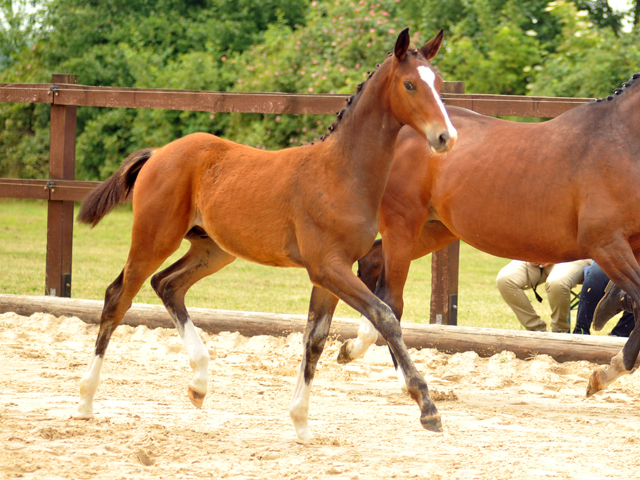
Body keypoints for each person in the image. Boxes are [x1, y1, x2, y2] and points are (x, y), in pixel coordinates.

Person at [496, 259, 592, 333]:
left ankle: (559, 332)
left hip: (572, 256)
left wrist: (555, 254)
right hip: (535, 258)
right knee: (505, 279)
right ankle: (537, 331)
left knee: (557, 282)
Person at [573, 262, 634, 337]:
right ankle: (581, 331)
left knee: (637, 290)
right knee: (595, 277)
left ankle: (619, 333)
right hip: (609, 256)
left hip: (636, 261)